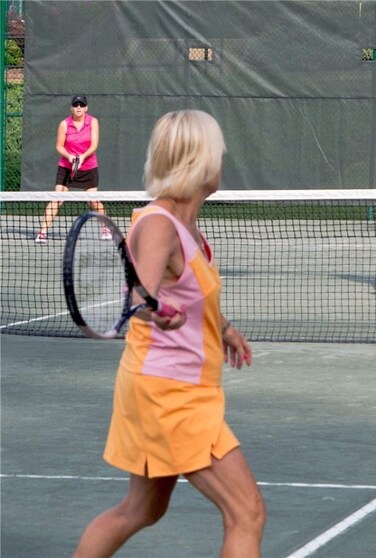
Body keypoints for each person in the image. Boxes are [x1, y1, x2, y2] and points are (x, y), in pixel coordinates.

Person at [73, 110, 266, 557]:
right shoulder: (159, 225)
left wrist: (225, 328)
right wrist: (150, 312)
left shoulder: (187, 227)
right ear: (199, 163)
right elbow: (141, 297)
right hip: (169, 394)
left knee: (140, 511)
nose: (222, 160)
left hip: (178, 388)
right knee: (247, 512)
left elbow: (188, 294)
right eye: (216, 152)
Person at [35, 94, 111, 243]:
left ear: (86, 108)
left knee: (93, 201)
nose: (78, 108)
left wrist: (82, 157)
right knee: (57, 198)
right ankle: (42, 232)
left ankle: (105, 228)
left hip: (88, 167)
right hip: (66, 167)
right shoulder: (64, 124)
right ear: (71, 107)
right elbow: (59, 146)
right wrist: (69, 156)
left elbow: (94, 145)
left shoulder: (93, 122)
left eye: (81, 105)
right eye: (75, 105)